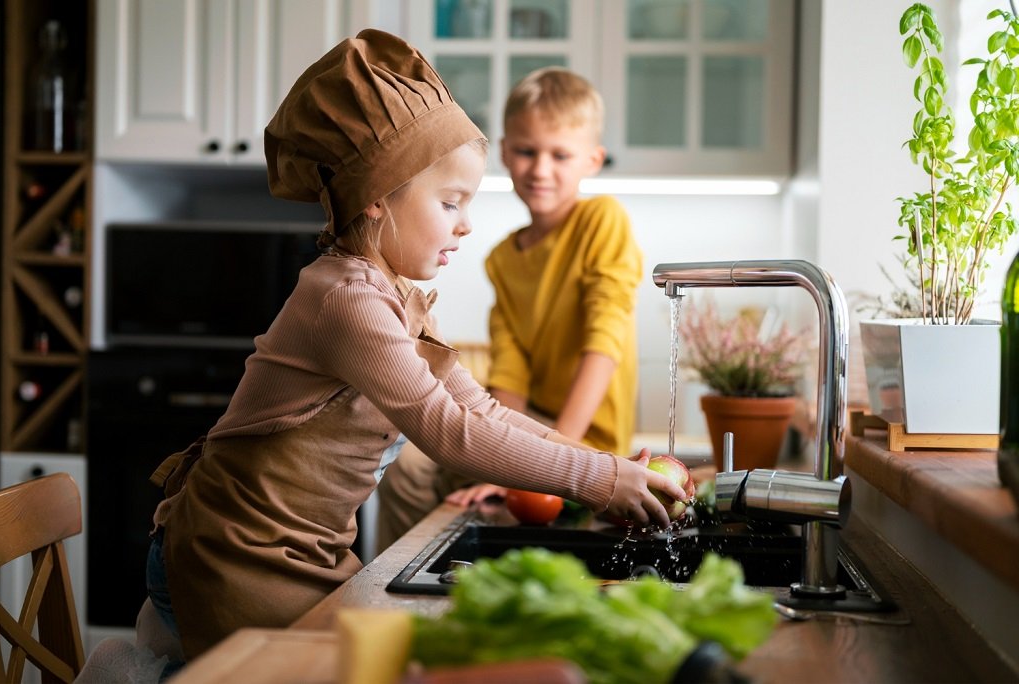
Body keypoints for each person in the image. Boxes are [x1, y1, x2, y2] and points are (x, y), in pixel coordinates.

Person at [139, 31, 681, 667]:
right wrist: (598, 479)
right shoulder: (346, 299)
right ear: (376, 198)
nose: (466, 223)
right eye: (450, 202)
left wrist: (609, 466)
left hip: (303, 550)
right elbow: (447, 433)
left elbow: (483, 412)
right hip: (237, 551)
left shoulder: (390, 293)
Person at [376, 67, 642, 550]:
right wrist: (505, 457)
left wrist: (558, 461)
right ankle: (396, 590)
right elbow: (510, 375)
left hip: (590, 442)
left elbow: (604, 344)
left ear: (593, 159)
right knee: (409, 466)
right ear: (503, 152)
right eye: (526, 151)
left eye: (560, 154)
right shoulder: (503, 257)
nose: (541, 169)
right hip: (530, 426)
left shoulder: (603, 221)